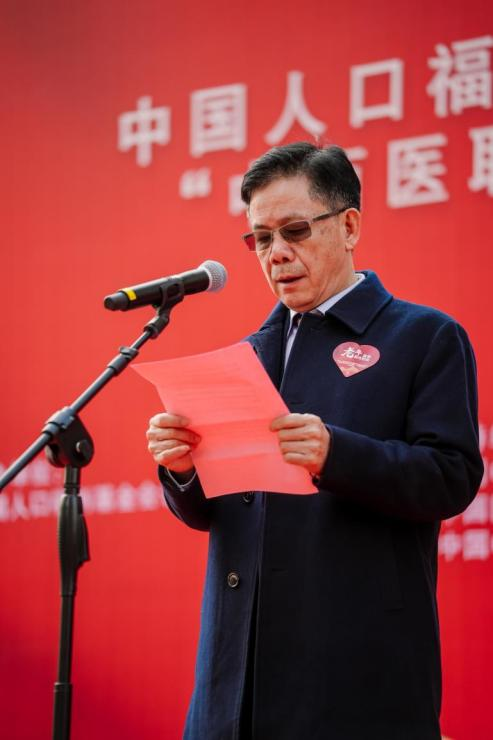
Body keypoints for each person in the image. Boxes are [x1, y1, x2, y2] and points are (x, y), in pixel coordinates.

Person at [146, 142, 483, 740]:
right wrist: (183, 470)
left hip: (354, 671)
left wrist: (337, 454)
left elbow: (451, 478)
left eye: (295, 231)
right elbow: (217, 514)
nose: (277, 253)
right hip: (236, 673)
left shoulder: (423, 336)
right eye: (260, 239)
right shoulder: (248, 356)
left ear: (349, 226)